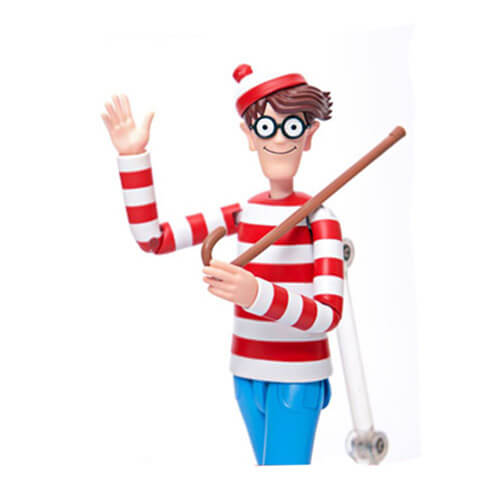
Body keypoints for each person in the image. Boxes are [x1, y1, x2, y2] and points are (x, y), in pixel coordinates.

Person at [102, 64, 344, 465]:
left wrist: (256, 294)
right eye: (266, 127)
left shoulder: (320, 219)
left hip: (298, 378)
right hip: (245, 374)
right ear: (250, 136)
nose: (279, 140)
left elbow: (327, 315)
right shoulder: (243, 212)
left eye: (292, 127)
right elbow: (154, 239)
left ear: (310, 135)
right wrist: (132, 158)